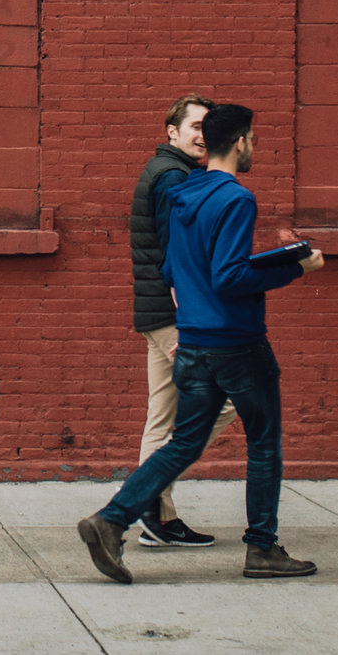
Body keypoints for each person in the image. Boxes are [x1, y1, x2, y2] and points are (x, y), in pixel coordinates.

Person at [79, 102, 324, 585]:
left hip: (192, 341)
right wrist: (295, 267)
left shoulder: (185, 192)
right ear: (239, 142)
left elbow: (172, 268)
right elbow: (231, 275)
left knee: (183, 442)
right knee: (265, 446)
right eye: (251, 139)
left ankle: (111, 520)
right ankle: (262, 549)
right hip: (237, 342)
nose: (253, 146)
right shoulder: (236, 198)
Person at [127, 93, 236, 549]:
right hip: (174, 315)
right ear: (172, 132)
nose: (202, 135)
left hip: (156, 313)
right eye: (194, 127)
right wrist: (191, 322)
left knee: (162, 415)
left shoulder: (167, 171)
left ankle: (155, 512)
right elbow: (179, 258)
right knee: (223, 402)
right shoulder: (174, 176)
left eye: (207, 128)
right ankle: (148, 499)